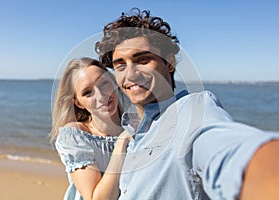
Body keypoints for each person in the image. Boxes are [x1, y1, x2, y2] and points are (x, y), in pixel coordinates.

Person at [95, 8, 279, 200]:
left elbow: (231, 154)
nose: (130, 74)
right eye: (120, 65)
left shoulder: (192, 112)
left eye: (143, 59)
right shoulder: (132, 135)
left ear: (170, 63)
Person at [50, 57, 131, 200]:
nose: (101, 95)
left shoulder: (136, 126)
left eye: (104, 83)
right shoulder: (76, 136)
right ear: (78, 103)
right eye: (87, 92)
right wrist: (120, 144)